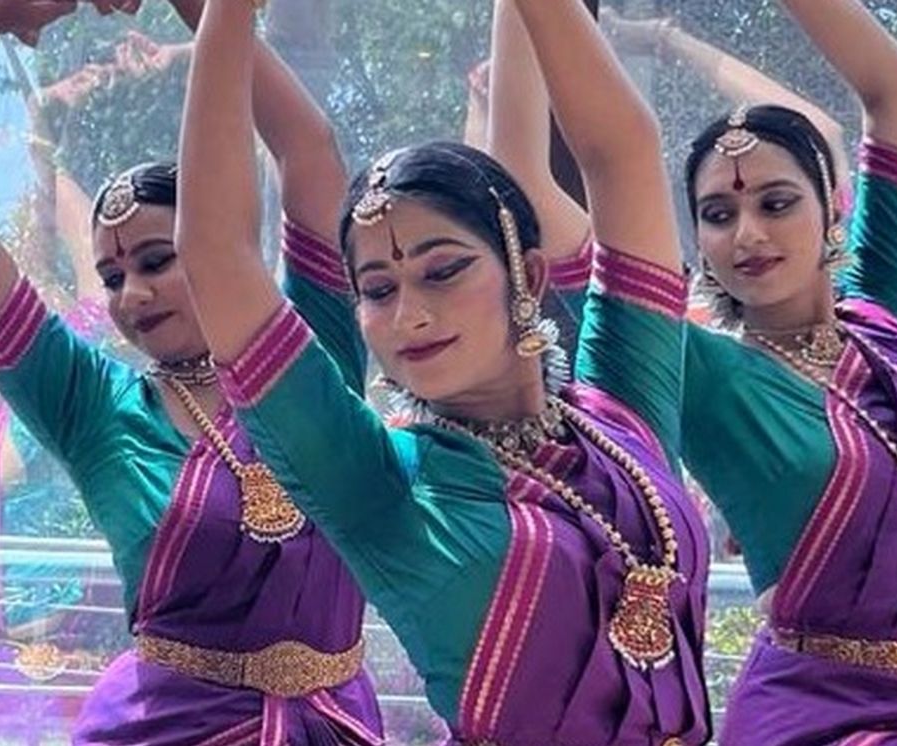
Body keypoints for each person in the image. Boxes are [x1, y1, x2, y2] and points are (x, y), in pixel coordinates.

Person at [172, 0, 711, 742]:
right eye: (378, 291)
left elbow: (624, 152)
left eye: (444, 271)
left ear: (527, 274)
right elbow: (216, 253)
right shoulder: (381, 482)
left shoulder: (623, 406)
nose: (410, 316)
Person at [0, 0, 382, 742]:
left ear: (214, 244)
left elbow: (309, 150)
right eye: (111, 277)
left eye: (157, 261)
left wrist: (208, 9)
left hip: (336, 724)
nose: (132, 295)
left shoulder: (310, 352)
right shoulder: (94, 406)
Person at [675, 0, 897, 742]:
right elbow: (590, 202)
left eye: (776, 203)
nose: (749, 233)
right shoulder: (704, 374)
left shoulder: (884, 316)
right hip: (817, 720)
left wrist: (668, 41)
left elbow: (892, 85)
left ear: (832, 210)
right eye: (718, 215)